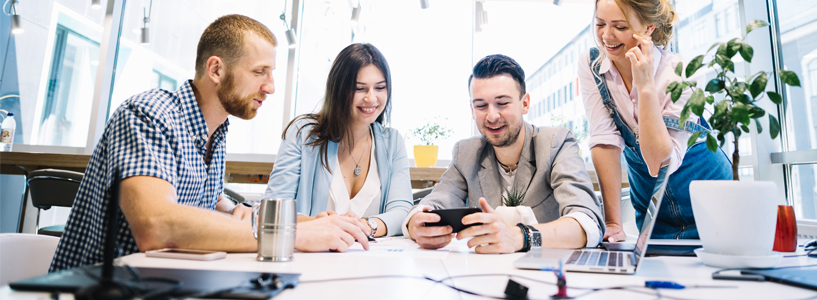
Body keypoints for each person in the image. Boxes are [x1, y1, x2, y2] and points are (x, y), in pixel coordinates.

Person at [50, 15, 370, 272]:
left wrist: (309, 223)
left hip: (161, 283)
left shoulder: (214, 131)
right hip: (100, 289)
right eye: (260, 72)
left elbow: (210, 204)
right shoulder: (149, 113)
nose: (270, 87)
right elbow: (156, 225)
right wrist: (291, 235)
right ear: (216, 69)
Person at [404, 54, 605, 254]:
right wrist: (417, 224)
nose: (491, 116)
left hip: (546, 273)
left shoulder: (556, 143)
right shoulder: (465, 153)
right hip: (484, 274)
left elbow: (588, 222)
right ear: (472, 110)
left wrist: (520, 237)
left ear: (525, 103)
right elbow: (436, 201)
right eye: (481, 105)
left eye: (502, 103)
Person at [578, 0, 732, 242]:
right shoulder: (593, 64)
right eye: (600, 23)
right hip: (652, 208)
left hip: (709, 202)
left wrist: (646, 87)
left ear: (648, 28)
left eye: (620, 26)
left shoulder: (682, 73)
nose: (606, 36)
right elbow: (604, 140)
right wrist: (612, 223)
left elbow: (658, 162)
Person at [264, 43, 412, 238]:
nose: (371, 98)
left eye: (380, 88)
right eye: (360, 88)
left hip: (370, 258)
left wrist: (367, 226)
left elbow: (401, 210)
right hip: (312, 257)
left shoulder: (393, 142)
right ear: (338, 89)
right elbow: (273, 210)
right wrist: (322, 226)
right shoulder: (303, 134)